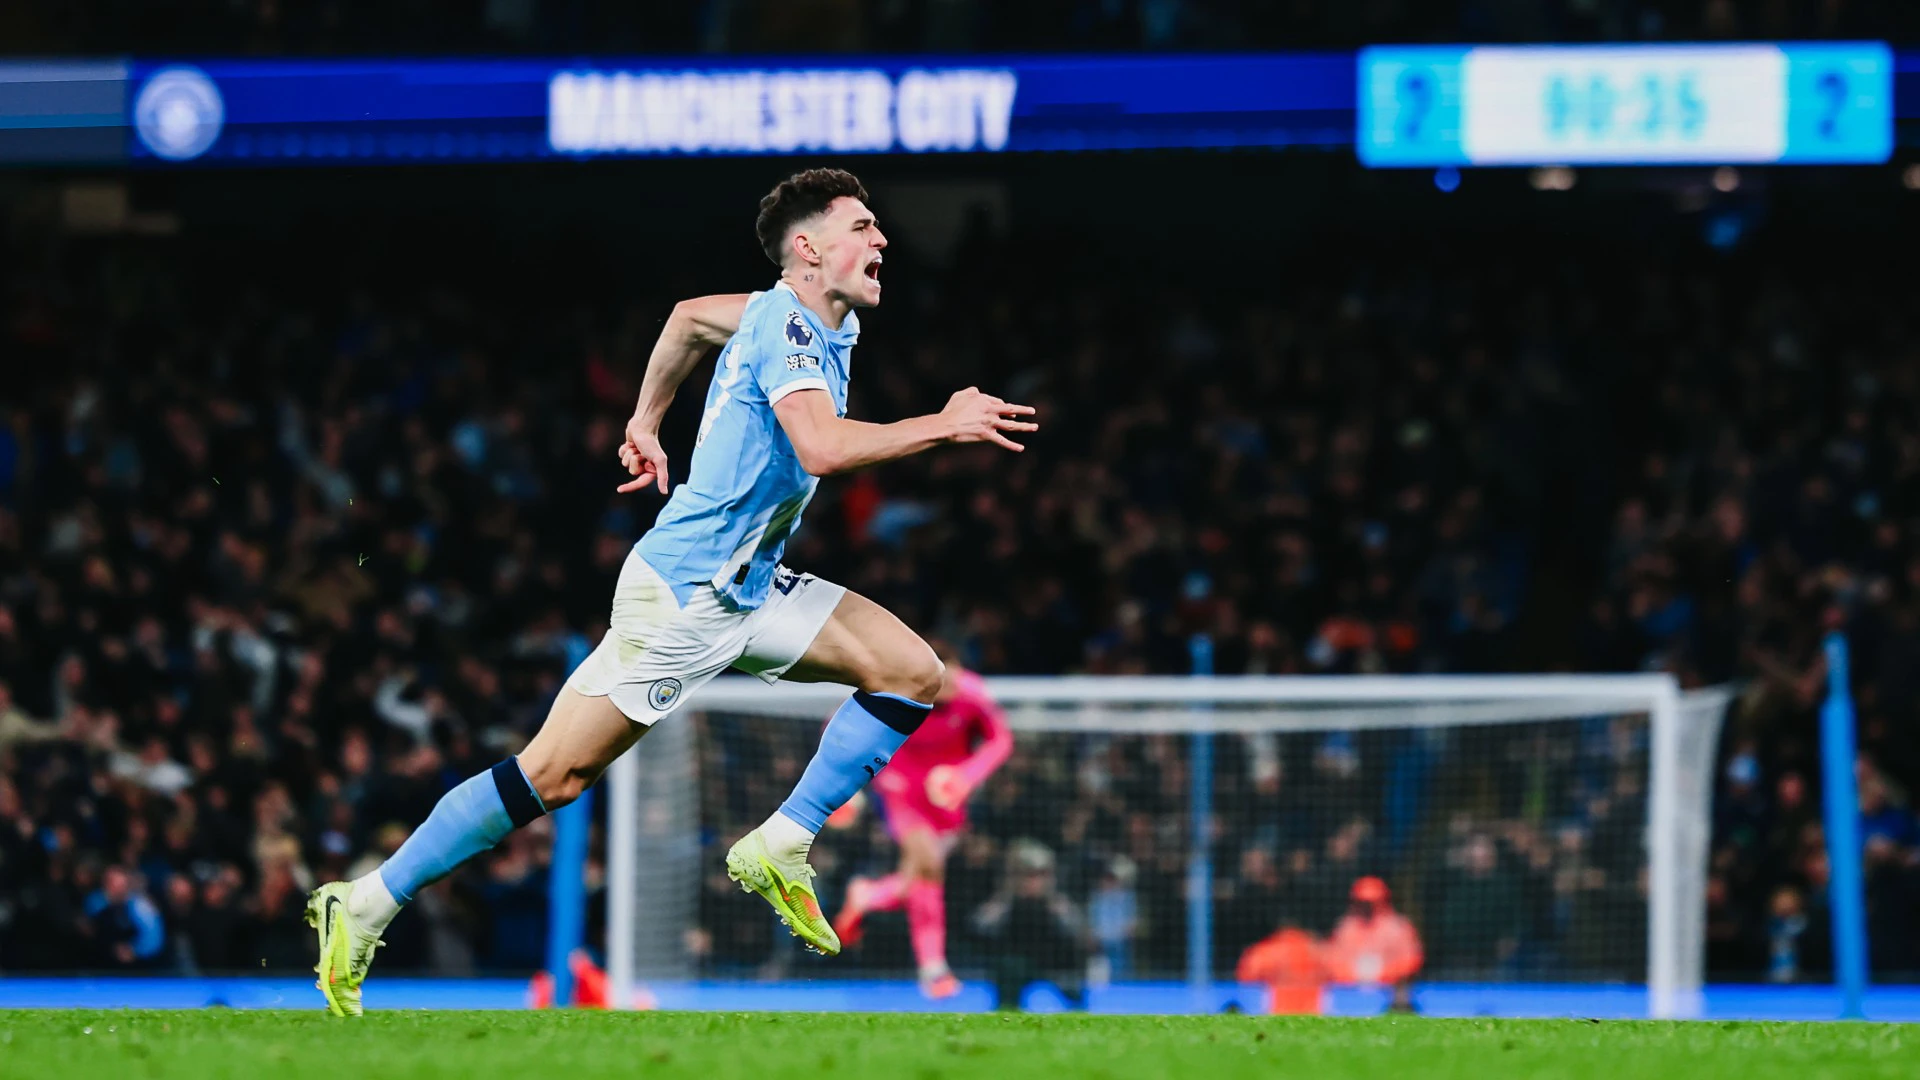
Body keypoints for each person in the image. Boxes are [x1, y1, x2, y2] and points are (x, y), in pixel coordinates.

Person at [305, 167, 1038, 1016]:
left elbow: (688, 318)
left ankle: (782, 842)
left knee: (912, 672)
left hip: (751, 586)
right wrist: (943, 424)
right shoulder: (789, 330)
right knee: (553, 775)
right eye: (862, 226)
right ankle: (366, 903)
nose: (881, 238)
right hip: (687, 596)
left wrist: (646, 420)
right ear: (808, 249)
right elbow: (822, 449)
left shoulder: (798, 315)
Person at [832, 648, 1013, 997]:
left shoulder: (972, 694)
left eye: (953, 680)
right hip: (900, 790)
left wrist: (967, 776)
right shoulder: (896, 687)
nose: (950, 688)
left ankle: (869, 895)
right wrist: (846, 785)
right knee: (929, 866)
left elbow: (1001, 739)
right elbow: (840, 723)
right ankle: (933, 968)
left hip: (947, 797)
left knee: (916, 880)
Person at [1322, 876, 1423, 1012]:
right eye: (1362, 902)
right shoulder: (1346, 927)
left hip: (1389, 993)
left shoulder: (1397, 927)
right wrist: (1353, 976)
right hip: (1349, 992)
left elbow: (1411, 959)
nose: (1367, 908)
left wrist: (1383, 974)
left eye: (1371, 902)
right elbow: (1332, 960)